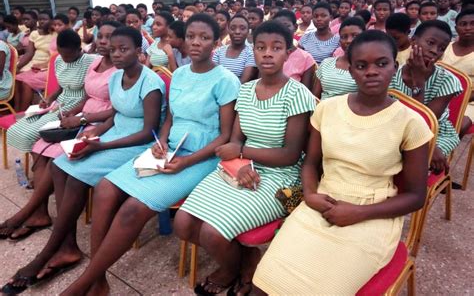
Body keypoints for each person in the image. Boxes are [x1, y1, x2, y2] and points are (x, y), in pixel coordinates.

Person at [60, 13, 240, 296]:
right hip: (169, 150)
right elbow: (169, 118)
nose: (195, 43)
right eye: (191, 36)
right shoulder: (179, 74)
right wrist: (162, 140)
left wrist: (185, 162)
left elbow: (225, 136)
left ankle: (84, 282)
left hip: (202, 156)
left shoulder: (226, 80)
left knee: (133, 208)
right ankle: (98, 279)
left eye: (204, 38)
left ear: (216, 43)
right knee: (106, 187)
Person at [253, 30, 433, 295]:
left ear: (395, 67)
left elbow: (417, 196)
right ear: (350, 70)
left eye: (381, 64)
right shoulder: (327, 108)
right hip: (322, 202)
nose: (371, 71)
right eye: (361, 65)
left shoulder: (410, 122)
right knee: (264, 284)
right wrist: (311, 195)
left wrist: (359, 212)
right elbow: (311, 163)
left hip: (374, 213)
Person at [1, 27, 166, 294]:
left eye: (124, 49)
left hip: (135, 142)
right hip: (113, 133)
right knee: (60, 164)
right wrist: (92, 135)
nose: (117, 54)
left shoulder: (150, 83)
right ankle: (65, 246)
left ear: (139, 51)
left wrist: (103, 144)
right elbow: (115, 114)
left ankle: (50, 251)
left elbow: (148, 131)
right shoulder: (117, 78)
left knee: (76, 176)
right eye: (114, 49)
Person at [175, 20, 316, 296]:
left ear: (289, 53)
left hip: (279, 176)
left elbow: (290, 155)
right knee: (183, 224)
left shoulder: (298, 95)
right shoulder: (247, 90)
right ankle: (247, 258)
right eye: (261, 47)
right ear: (253, 52)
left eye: (276, 48)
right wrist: (239, 161)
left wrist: (241, 153)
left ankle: (231, 270)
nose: (267, 54)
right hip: (239, 167)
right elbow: (236, 138)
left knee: (212, 233)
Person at [0, 22, 121, 241]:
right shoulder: (98, 64)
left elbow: (117, 109)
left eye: (109, 37)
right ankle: (39, 213)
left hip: (98, 123)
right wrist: (69, 114)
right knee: (40, 145)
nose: (103, 41)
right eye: (100, 36)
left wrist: (80, 118)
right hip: (80, 115)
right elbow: (87, 95)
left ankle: (28, 212)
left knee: (55, 155)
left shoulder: (121, 69)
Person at [390, 20, 462, 174]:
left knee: (415, 162)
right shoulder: (392, 73)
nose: (435, 51)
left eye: (442, 48)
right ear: (413, 41)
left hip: (435, 132)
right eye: (430, 43)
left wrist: (419, 82)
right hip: (394, 128)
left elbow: (425, 122)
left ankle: (412, 194)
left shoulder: (447, 80)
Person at [7, 29, 94, 153]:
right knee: (15, 129)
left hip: (75, 106)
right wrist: (49, 99)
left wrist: (70, 112)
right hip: (58, 103)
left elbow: (89, 95)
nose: (65, 59)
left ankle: (38, 162)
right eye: (61, 54)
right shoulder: (58, 60)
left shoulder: (90, 62)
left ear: (79, 50)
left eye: (69, 56)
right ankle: (36, 161)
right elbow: (60, 87)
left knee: (30, 134)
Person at [313, 17, 365, 100]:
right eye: (344, 37)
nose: (348, 41)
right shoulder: (327, 63)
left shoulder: (369, 67)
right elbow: (315, 97)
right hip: (324, 110)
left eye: (355, 36)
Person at [14, 10, 55, 111]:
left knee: (26, 83)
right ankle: (16, 110)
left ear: (51, 21)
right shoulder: (34, 34)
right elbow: (29, 53)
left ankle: (23, 112)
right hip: (34, 64)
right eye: (40, 19)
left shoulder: (55, 34)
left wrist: (43, 65)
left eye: (45, 19)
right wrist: (18, 66)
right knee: (17, 79)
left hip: (47, 66)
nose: (42, 22)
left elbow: (55, 56)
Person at [442, 9, 474, 132]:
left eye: (472, 24)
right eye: (463, 24)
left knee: (456, 127)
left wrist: (459, 99)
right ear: (456, 27)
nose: (468, 28)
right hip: (439, 95)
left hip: (469, 101)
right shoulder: (445, 47)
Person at [273, 10, 315, 89]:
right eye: (278, 27)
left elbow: (305, 91)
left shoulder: (306, 58)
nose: (282, 30)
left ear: (295, 27)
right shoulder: (267, 54)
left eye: (286, 26)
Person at [213, 14, 257, 83]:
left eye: (242, 29)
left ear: (248, 31)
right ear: (228, 30)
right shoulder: (219, 51)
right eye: (233, 28)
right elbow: (213, 75)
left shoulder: (250, 53)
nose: (237, 32)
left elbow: (244, 81)